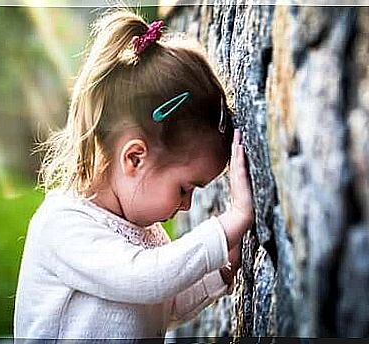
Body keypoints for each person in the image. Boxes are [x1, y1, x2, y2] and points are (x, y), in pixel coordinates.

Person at [14, 8, 254, 340]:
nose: (186, 205)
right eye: (185, 188)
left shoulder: (142, 231)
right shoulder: (63, 225)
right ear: (135, 158)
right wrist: (234, 219)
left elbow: (163, 302)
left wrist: (221, 272)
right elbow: (145, 279)